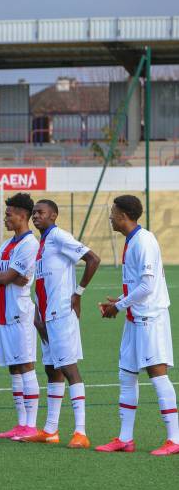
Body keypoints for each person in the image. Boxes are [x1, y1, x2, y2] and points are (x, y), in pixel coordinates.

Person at [96, 195, 179, 456]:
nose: (110, 216)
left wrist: (118, 307)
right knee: (126, 374)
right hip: (135, 318)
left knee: (158, 375)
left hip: (150, 319)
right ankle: (125, 438)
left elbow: (147, 286)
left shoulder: (144, 241)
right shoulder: (132, 241)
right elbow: (137, 286)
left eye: (113, 212)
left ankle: (175, 439)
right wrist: (120, 301)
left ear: (123, 215)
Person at [22, 199, 100, 449]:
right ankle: (50, 430)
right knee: (51, 370)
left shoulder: (59, 236)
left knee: (69, 369)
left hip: (62, 314)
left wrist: (77, 293)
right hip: (45, 316)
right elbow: (43, 282)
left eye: (40, 213)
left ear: (53, 215)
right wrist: (37, 314)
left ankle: (80, 432)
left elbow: (92, 259)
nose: (35, 216)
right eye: (33, 213)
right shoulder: (42, 243)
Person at [0, 193, 40, 441]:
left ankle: (31, 425)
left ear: (22, 215)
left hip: (20, 313)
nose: (5, 218)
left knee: (27, 366)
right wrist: (2, 274)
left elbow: (4, 277)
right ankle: (20, 423)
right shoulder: (5, 245)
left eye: (8, 214)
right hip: (3, 314)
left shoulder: (30, 244)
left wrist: (1, 273)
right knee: (14, 368)